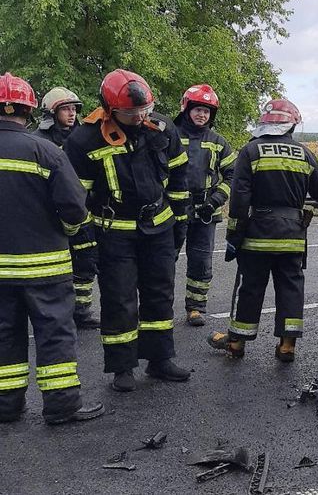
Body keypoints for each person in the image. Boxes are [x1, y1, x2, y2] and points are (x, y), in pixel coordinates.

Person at [65, 69, 192, 392]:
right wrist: (83, 239)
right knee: (119, 299)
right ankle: (122, 367)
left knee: (160, 294)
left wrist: (180, 222)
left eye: (145, 110)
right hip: (113, 231)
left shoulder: (163, 128)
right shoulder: (85, 139)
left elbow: (179, 177)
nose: (139, 117)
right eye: (132, 112)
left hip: (159, 225)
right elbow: (75, 195)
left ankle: (160, 359)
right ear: (110, 109)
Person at [0, 72, 103, 425]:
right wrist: (69, 230)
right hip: (46, 268)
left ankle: (6, 406)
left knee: (4, 336)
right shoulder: (44, 150)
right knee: (55, 335)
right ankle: (60, 407)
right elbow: (75, 207)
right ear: (29, 111)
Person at [207, 98, 318, 361]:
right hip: (292, 235)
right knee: (291, 287)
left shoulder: (250, 151)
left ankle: (236, 343)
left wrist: (234, 236)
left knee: (249, 287)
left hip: (257, 235)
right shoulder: (304, 153)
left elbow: (239, 200)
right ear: (292, 125)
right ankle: (287, 346)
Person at [34, 87, 100, 330]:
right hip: (49, 214)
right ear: (52, 112)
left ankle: (81, 311)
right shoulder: (38, 142)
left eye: (74, 109)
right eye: (66, 109)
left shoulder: (83, 139)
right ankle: (51, 312)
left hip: (81, 211)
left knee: (86, 260)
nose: (72, 114)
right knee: (52, 267)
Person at [173, 84, 236, 327]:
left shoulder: (218, 142)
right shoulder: (171, 136)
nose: (202, 115)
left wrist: (215, 201)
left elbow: (233, 175)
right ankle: (159, 309)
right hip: (173, 211)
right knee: (165, 259)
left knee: (201, 261)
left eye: (207, 111)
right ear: (187, 109)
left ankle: (196, 308)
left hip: (206, 212)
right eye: (198, 109)